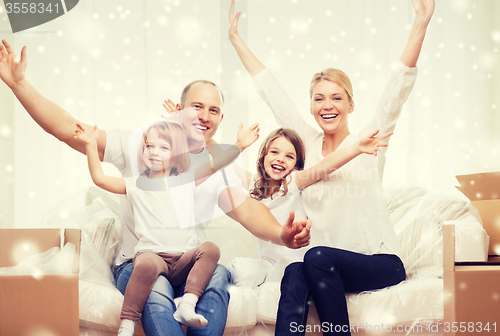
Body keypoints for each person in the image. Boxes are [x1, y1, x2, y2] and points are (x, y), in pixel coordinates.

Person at [0, 39, 311, 336]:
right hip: (142, 262)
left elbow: (248, 210)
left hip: (186, 264)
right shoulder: (143, 146)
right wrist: (19, 84)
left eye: (213, 110)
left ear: (220, 118)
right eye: (196, 107)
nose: (203, 116)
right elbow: (68, 129)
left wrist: (282, 235)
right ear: (178, 108)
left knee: (217, 277)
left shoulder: (214, 167)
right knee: (156, 291)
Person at [227, 0, 435, 334]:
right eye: (319, 98)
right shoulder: (304, 149)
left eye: (337, 98)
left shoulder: (370, 141)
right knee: (296, 270)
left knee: (315, 257)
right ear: (310, 106)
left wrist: (421, 23)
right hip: (322, 264)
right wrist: (236, 39)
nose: (328, 105)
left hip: (378, 262)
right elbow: (271, 92)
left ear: (351, 104)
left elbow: (397, 89)